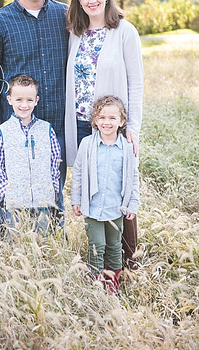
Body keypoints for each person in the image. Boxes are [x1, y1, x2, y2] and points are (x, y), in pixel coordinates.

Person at [0, 0, 68, 246]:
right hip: (13, 125)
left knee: (52, 189)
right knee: (3, 192)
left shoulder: (64, 15)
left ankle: (51, 249)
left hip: (54, 121)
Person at [64, 0, 144, 268]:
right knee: (93, 192)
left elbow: (136, 83)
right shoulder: (75, 32)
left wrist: (132, 126)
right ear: (78, 1)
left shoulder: (124, 31)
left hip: (113, 126)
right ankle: (97, 264)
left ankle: (127, 261)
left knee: (119, 189)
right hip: (84, 124)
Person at [71, 95, 140, 294]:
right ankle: (97, 283)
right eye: (102, 118)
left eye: (112, 118)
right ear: (94, 120)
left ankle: (112, 285)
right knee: (97, 245)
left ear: (122, 121)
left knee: (114, 246)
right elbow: (78, 173)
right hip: (92, 207)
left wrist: (132, 204)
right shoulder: (87, 144)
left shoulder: (127, 148)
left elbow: (133, 178)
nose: (106, 122)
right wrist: (76, 199)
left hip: (115, 208)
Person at [0, 74, 61, 242]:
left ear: (36, 100)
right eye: (19, 99)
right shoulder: (2, 132)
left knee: (42, 243)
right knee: (16, 244)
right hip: (15, 203)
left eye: (29, 100)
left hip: (43, 201)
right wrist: (8, 191)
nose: (24, 105)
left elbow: (55, 161)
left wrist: (52, 187)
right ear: (10, 99)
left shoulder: (46, 129)